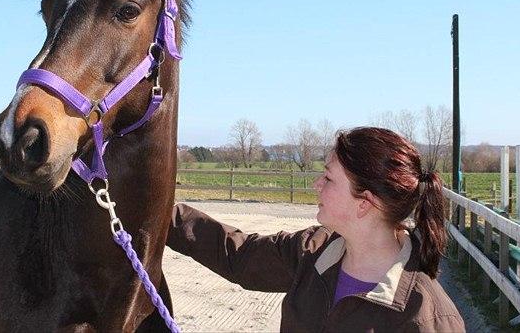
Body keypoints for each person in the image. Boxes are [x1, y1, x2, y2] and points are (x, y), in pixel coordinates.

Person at [167, 127, 465, 332]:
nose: (316, 185)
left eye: (329, 178)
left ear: (364, 203)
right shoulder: (313, 250)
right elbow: (239, 255)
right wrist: (159, 212)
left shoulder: (428, 318)